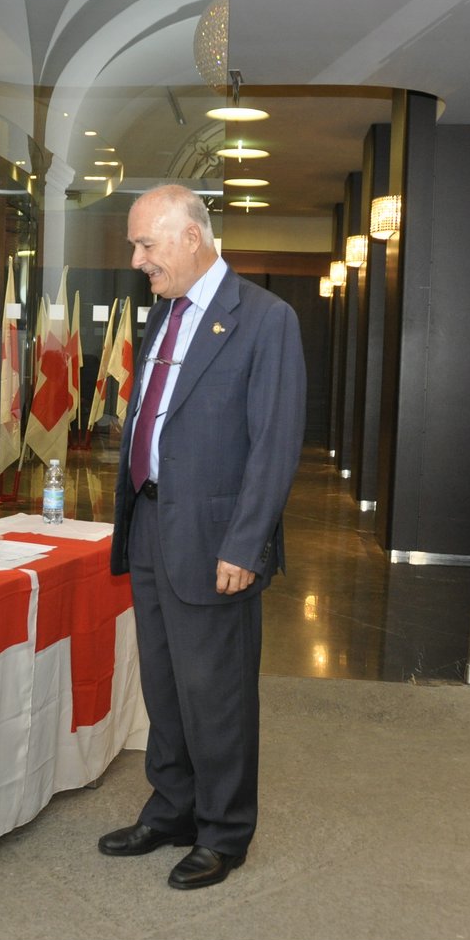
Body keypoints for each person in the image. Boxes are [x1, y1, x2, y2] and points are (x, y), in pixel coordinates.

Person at [99, 184, 305, 890]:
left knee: (216, 691)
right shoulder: (162, 315)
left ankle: (224, 829)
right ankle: (173, 807)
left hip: (217, 538)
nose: (138, 259)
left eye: (146, 244)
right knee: (163, 681)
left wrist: (245, 545)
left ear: (192, 237)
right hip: (154, 523)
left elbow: (274, 444)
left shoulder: (265, 319)